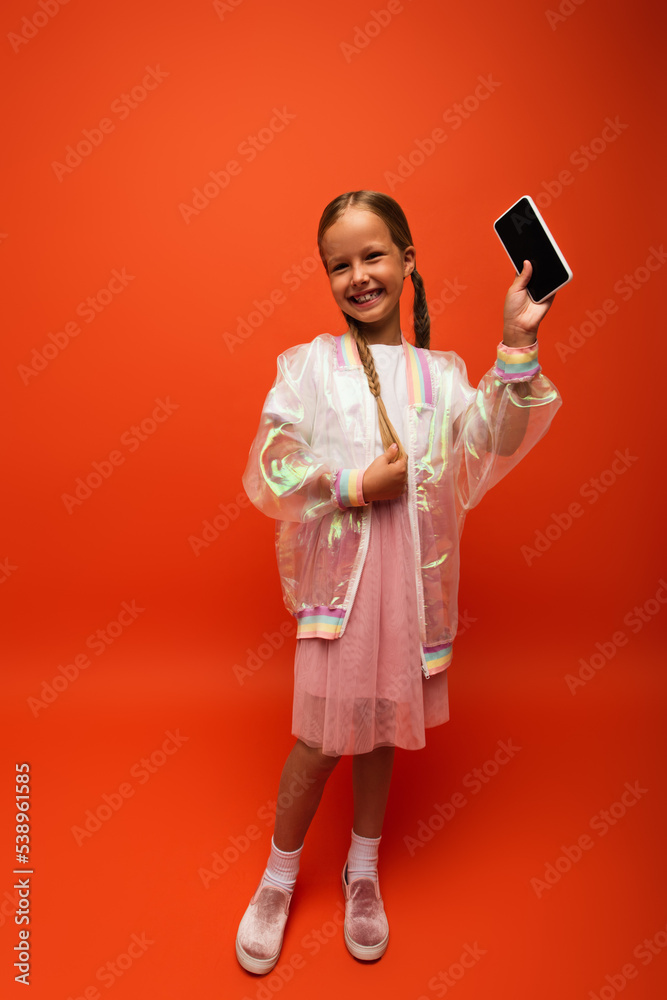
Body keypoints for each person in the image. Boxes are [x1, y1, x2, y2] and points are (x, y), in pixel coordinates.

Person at [235, 190, 562, 973]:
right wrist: (352, 485)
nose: (357, 276)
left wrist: (515, 342)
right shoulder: (307, 366)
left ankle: (362, 867)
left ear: (407, 261)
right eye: (338, 265)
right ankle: (279, 876)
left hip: (409, 589)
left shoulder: (440, 375)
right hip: (338, 590)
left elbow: (486, 445)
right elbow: (270, 470)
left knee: (380, 729)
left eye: (373, 256)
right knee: (319, 739)